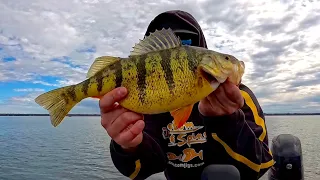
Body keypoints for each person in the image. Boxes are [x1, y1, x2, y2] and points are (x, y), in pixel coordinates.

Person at [100, 10, 274, 180]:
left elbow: (261, 165)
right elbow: (142, 169)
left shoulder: (239, 97)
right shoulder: (152, 103)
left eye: (185, 42)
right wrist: (128, 146)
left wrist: (228, 121)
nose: (176, 52)